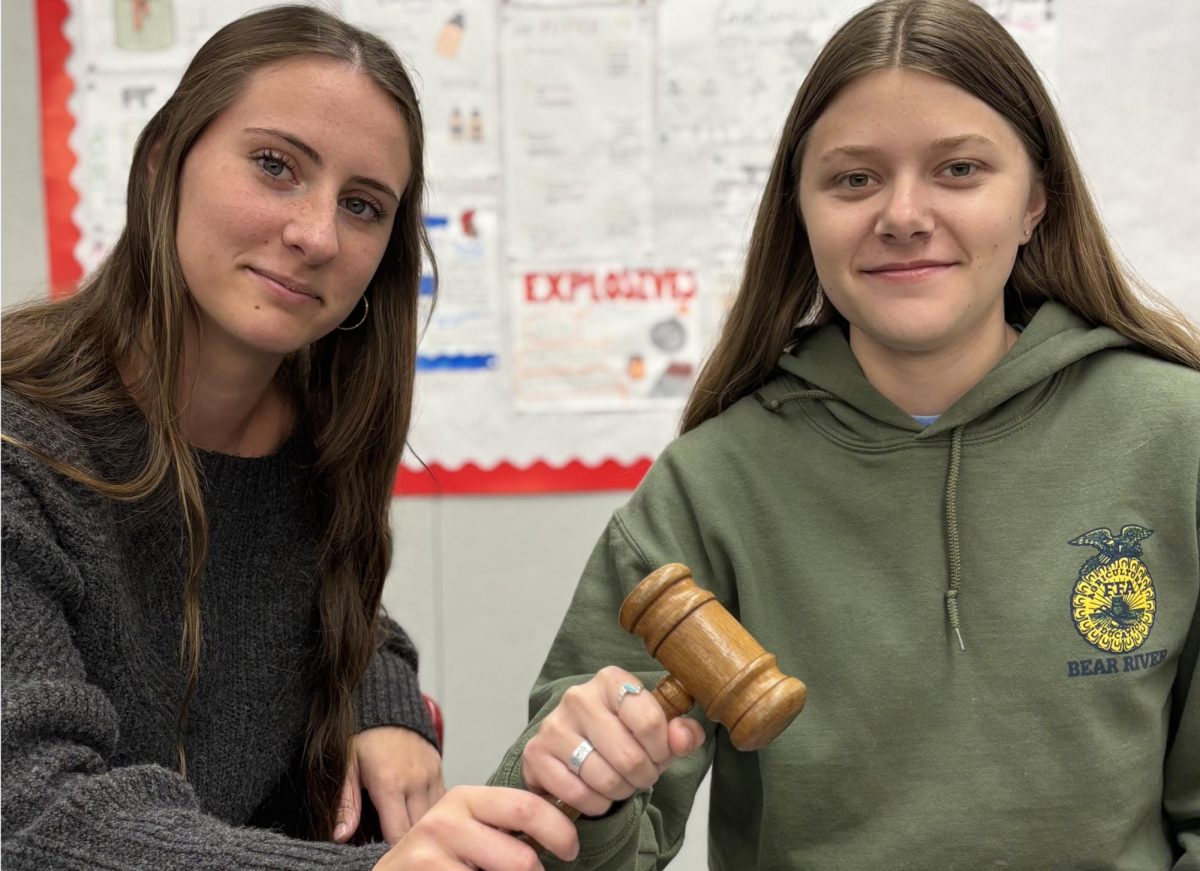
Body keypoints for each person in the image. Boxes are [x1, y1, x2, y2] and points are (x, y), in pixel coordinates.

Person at [490, 0, 1200, 867]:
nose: (903, 213)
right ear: (800, 210)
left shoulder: (1177, 438)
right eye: (854, 179)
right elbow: (557, 845)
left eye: (960, 169)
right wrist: (583, 782)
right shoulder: (713, 485)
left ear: (1036, 201)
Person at [1, 7, 578, 870]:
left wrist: (378, 700)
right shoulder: (20, 446)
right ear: (164, 161)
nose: (316, 235)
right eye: (275, 166)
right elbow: (36, 816)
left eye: (362, 205)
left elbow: (328, 611)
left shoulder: (319, 441)